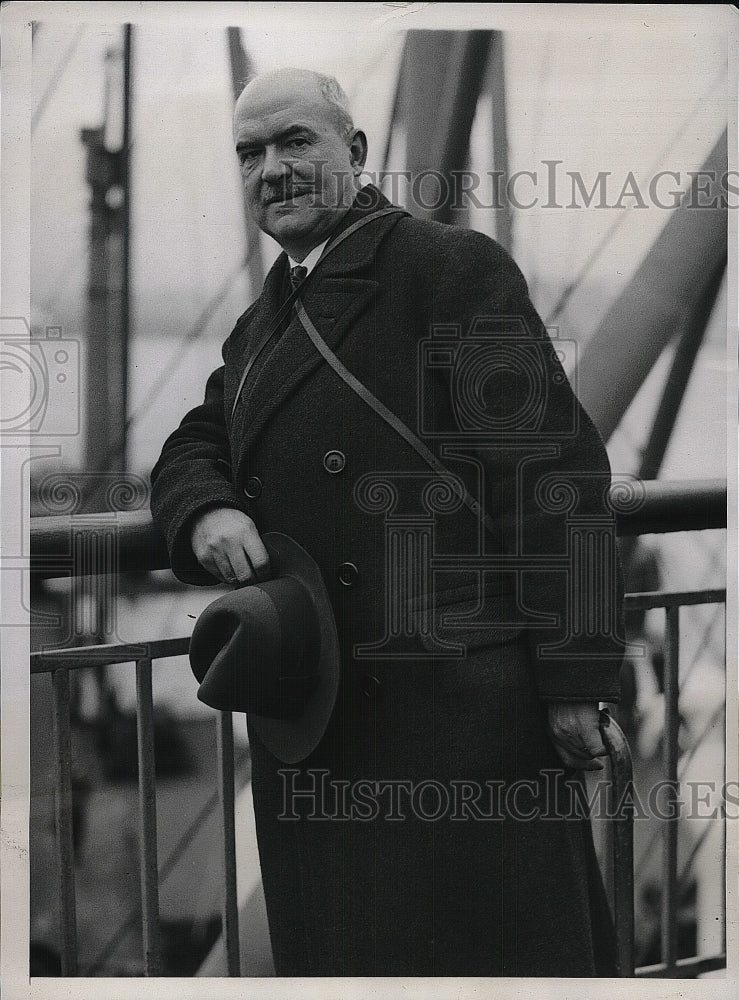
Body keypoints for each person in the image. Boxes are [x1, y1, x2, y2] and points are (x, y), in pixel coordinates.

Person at [150, 67, 626, 977]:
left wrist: (573, 678)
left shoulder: (446, 271)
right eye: (250, 153)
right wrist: (200, 504)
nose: (272, 169)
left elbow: (555, 476)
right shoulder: (261, 327)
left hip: (451, 725)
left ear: (355, 153)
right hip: (320, 726)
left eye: (297, 142)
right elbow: (190, 441)